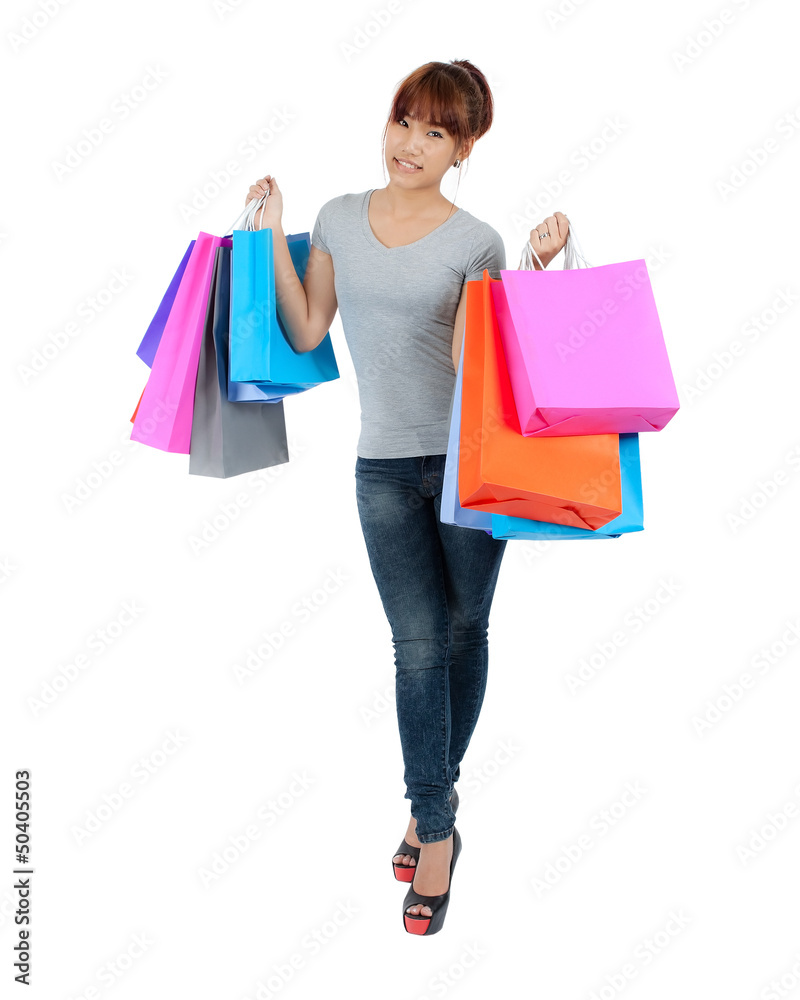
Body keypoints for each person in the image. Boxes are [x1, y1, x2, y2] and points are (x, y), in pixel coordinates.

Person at [244, 59, 569, 935]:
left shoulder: (476, 241)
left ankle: (431, 818)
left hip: (469, 467)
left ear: (464, 148)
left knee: (465, 633)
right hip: (383, 467)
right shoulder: (339, 221)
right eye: (404, 121)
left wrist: (531, 276)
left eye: (436, 132)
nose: (411, 144)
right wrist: (274, 238)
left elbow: (479, 366)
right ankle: (438, 825)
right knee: (417, 644)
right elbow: (310, 327)